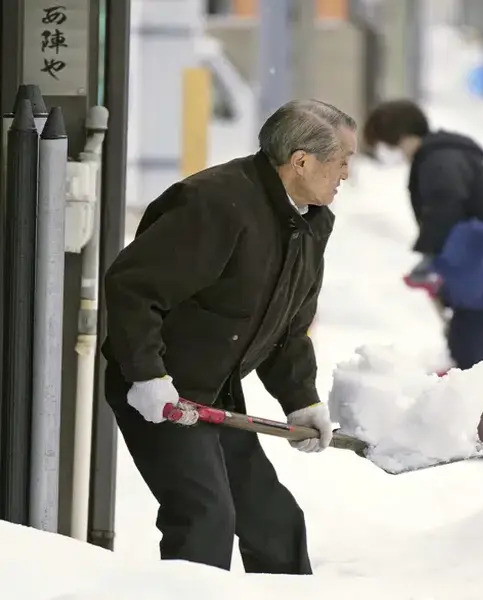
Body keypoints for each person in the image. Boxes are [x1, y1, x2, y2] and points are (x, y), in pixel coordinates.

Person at [101, 99, 357, 573]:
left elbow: (288, 324)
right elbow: (134, 286)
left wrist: (301, 398)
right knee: (204, 518)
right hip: (163, 391)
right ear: (301, 160)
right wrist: (147, 375)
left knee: (274, 523)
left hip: (215, 391)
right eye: (342, 160)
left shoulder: (309, 221)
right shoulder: (214, 202)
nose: (346, 172)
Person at [362, 99, 483, 454]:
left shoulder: (438, 159)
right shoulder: (445, 155)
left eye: (387, 144)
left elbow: (446, 203)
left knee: (470, 345)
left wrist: (429, 257)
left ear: (398, 137)